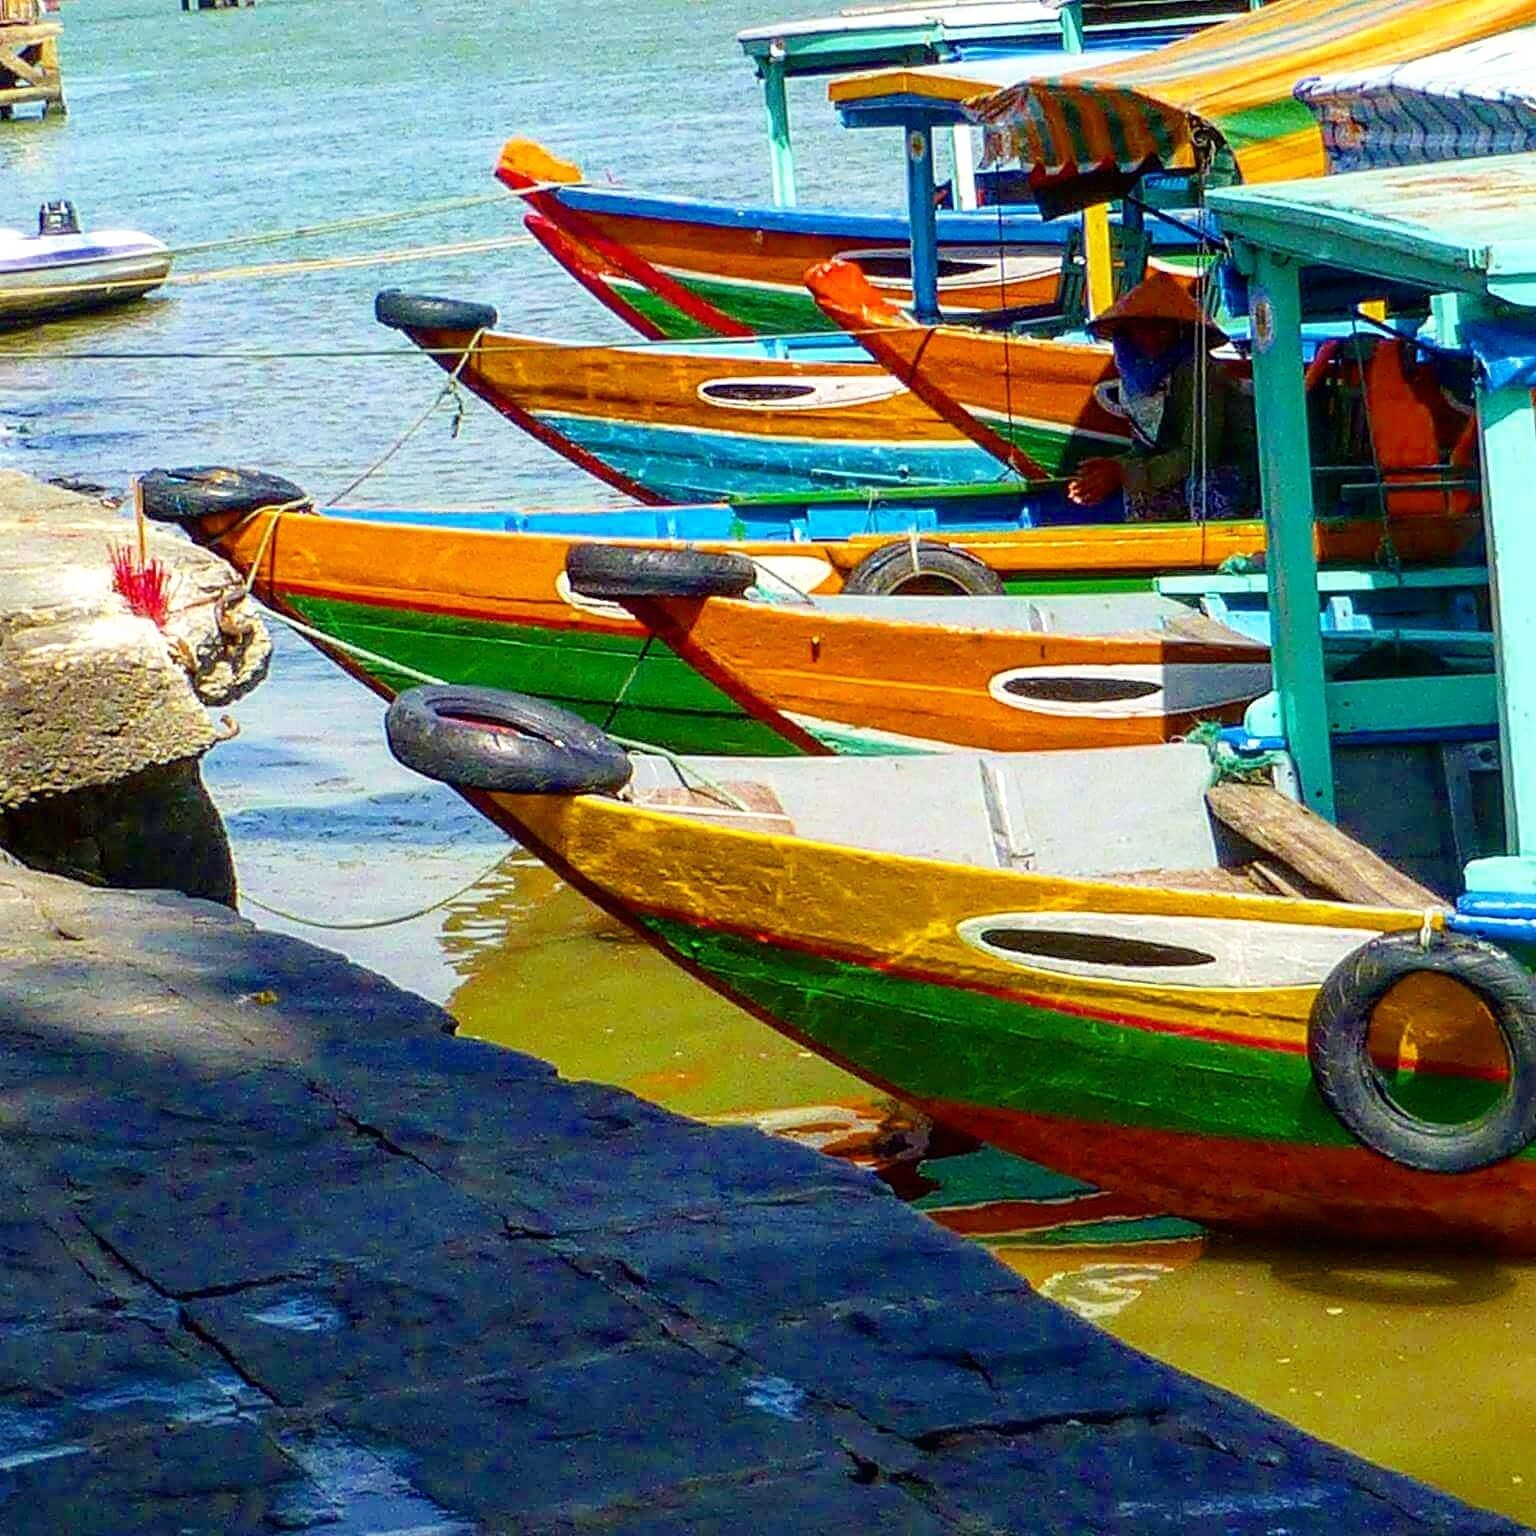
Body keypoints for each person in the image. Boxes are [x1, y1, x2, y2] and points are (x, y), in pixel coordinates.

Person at [1067, 269, 1258, 522]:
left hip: (1235, 473)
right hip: (1184, 471)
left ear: (1181, 331)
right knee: (1137, 494)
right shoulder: (1135, 377)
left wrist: (1125, 472)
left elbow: (1199, 453)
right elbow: (1144, 447)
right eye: (1142, 328)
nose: (1155, 337)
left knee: (1201, 486)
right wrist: (1111, 467)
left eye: (1164, 328)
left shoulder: (1199, 371)